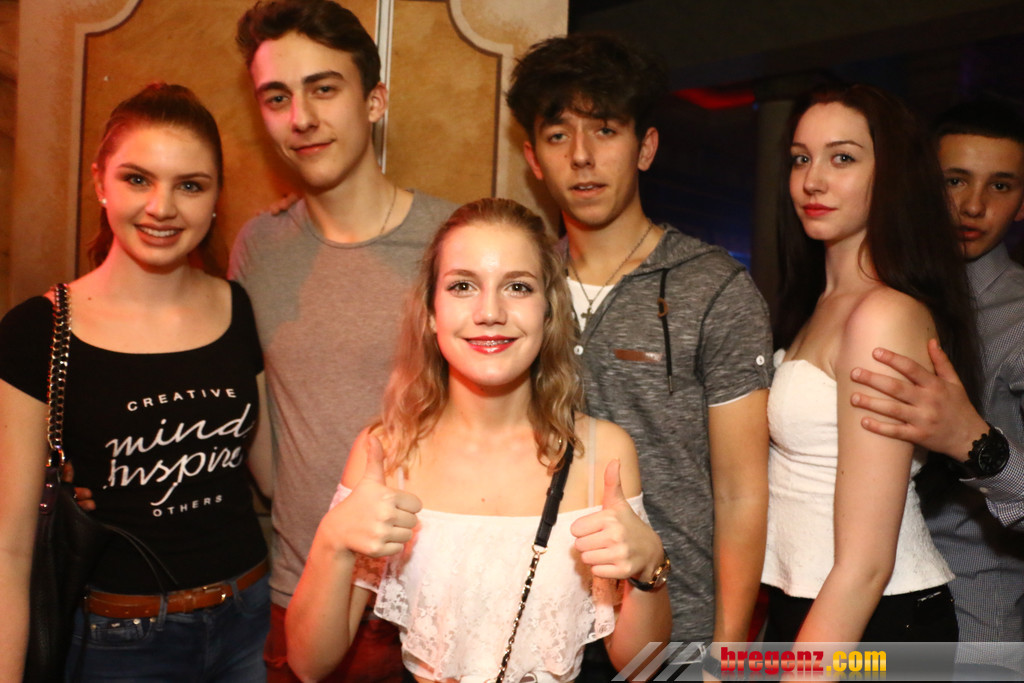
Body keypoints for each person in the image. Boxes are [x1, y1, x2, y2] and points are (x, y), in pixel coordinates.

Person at [286, 197, 671, 683]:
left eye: (517, 286)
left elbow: (640, 668)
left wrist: (649, 569)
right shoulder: (386, 453)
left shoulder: (603, 455)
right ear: (431, 312)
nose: (490, 312)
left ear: (548, 313)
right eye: (463, 286)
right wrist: (331, 543)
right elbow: (309, 664)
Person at [506, 33, 772, 665]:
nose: (581, 157)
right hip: (537, 626)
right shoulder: (518, 286)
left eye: (605, 130)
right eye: (558, 135)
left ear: (645, 147)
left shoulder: (714, 289)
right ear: (534, 159)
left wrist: (728, 653)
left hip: (676, 629)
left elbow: (741, 492)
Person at [0, 83, 273, 681]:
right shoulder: (36, 331)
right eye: (137, 179)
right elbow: (8, 548)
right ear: (100, 182)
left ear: (216, 197)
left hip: (250, 623)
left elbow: (277, 474)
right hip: (119, 645)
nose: (161, 207)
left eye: (190, 186)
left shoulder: (239, 307)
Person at [231, 1, 454, 679]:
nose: (300, 118)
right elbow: (257, 407)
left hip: (436, 603)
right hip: (303, 595)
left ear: (374, 102)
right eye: (277, 97)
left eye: (323, 88)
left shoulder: (453, 240)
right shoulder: (259, 246)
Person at [762, 83, 982, 645]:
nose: (813, 180)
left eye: (842, 158)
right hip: (812, 604)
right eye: (801, 159)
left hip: (875, 617)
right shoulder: (819, 303)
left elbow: (866, 564)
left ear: (891, 176)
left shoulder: (883, 314)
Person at [848, 99, 1024, 657]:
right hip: (843, 600)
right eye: (955, 180)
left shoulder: (1019, 319)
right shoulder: (871, 292)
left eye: (1000, 186)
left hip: (973, 622)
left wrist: (974, 441)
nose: (973, 205)